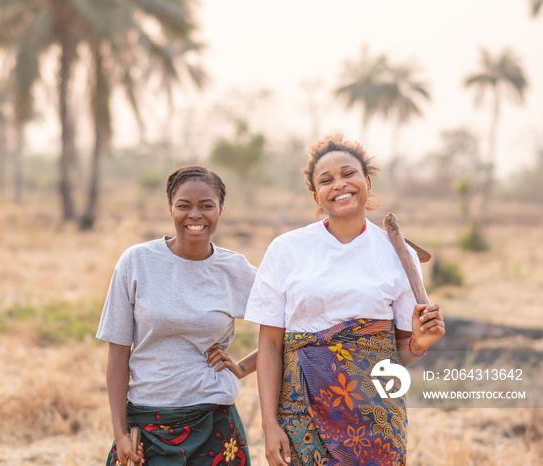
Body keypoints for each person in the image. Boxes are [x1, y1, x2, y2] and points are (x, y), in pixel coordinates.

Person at [245, 135, 445, 466]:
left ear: (366, 181)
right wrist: (269, 425)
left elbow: (395, 356)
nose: (339, 185)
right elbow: (269, 346)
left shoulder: (399, 253)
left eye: (348, 174)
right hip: (300, 410)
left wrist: (419, 344)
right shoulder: (287, 249)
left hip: (376, 417)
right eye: (327, 180)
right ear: (316, 195)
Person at [97, 165, 258, 466]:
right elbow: (117, 353)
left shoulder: (234, 270)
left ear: (220, 209)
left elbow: (290, 325)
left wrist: (243, 367)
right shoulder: (137, 262)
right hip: (146, 425)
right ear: (170, 208)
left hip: (215, 423)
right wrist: (119, 433)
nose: (195, 215)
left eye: (206, 206)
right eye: (184, 205)